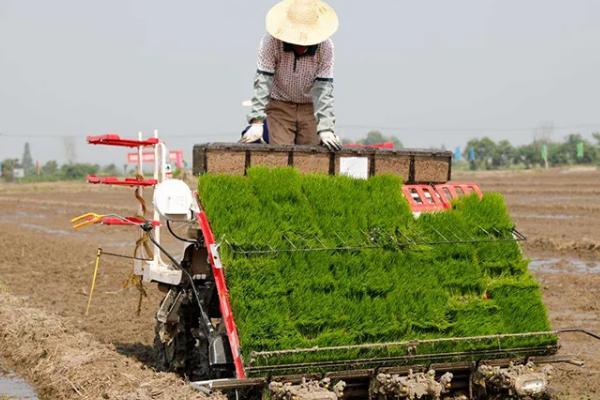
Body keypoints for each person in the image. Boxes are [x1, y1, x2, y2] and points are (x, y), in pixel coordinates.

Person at [240, 0, 342, 151]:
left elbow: (324, 89)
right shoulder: (271, 42)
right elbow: (263, 82)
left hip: (309, 107)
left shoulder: (326, 47)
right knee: (281, 155)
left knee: (311, 157)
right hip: (279, 105)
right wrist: (257, 121)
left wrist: (326, 127)